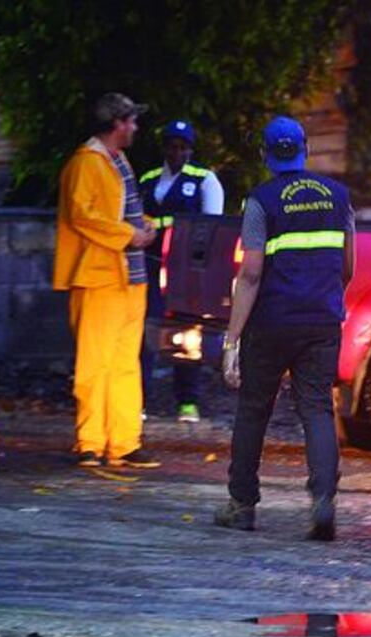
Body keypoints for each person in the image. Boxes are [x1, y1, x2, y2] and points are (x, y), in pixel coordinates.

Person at [216, 116, 355, 541]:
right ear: (305, 149)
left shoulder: (261, 201)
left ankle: (241, 505)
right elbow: (347, 265)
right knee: (316, 408)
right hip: (322, 321)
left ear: (264, 155)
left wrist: (232, 338)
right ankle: (323, 500)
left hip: (272, 324)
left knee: (254, 409)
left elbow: (252, 274)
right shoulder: (338, 196)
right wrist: (326, 297)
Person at [53, 92, 161, 469]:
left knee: (124, 362)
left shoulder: (116, 160)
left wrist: (141, 225)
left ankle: (124, 442)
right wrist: (129, 234)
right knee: (95, 363)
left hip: (129, 277)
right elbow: (85, 215)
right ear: (117, 123)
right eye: (131, 121)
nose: (135, 127)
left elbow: (117, 210)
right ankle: (90, 442)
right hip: (99, 277)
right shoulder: (87, 164)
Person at [139, 120, 225, 423]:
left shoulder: (204, 180)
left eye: (182, 146)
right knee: (144, 332)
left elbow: (211, 227)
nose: (177, 152)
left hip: (185, 270)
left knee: (187, 334)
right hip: (149, 265)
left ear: (190, 149)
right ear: (164, 147)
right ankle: (138, 401)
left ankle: (188, 402)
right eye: (171, 145)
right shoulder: (149, 179)